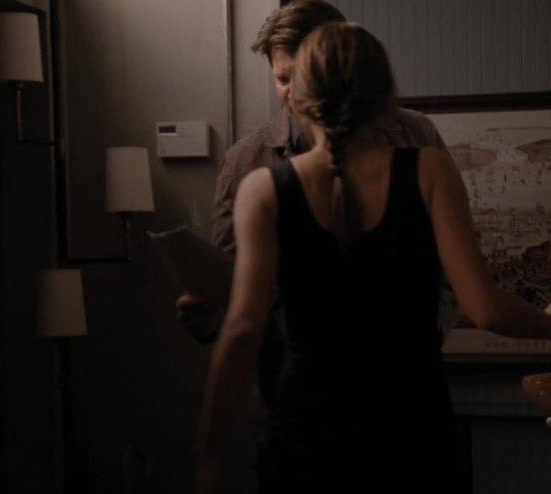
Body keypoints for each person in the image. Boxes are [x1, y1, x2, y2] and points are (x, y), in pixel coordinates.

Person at [193, 22, 551, 493]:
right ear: (387, 98)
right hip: (412, 430)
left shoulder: (263, 190)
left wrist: (210, 456)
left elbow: (243, 330)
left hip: (305, 432)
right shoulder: (429, 171)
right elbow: (485, 308)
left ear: (298, 97)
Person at [176, 0, 458, 400]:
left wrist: (430, 329)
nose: (293, 93)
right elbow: (230, 274)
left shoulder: (416, 136)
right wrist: (211, 309)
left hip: (403, 374)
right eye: (282, 78)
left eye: (303, 75)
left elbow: (451, 257)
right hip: (292, 380)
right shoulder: (246, 161)